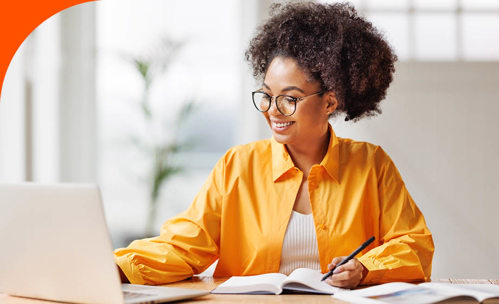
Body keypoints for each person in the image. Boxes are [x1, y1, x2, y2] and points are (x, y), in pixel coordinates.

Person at [114, 2, 434, 289]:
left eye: (290, 99)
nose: (272, 109)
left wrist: (364, 268)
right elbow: (183, 245)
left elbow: (414, 247)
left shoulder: (371, 165)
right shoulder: (238, 166)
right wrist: (115, 267)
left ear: (329, 102)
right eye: (267, 95)